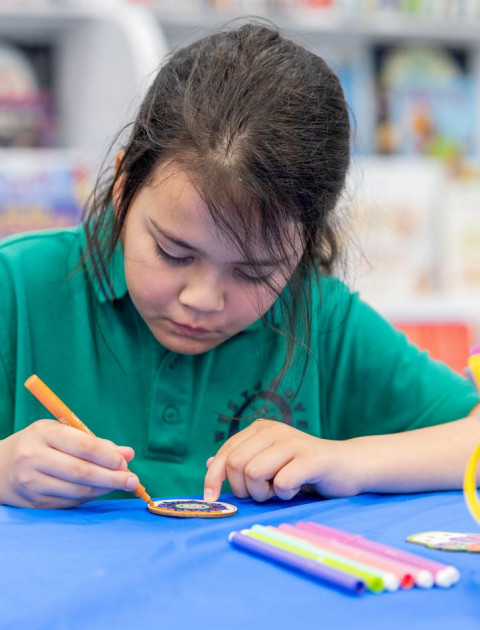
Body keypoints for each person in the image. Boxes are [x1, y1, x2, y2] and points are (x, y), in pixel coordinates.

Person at [0, 22, 479, 510]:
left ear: (305, 246)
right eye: (174, 253)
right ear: (123, 187)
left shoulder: (318, 317)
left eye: (254, 272)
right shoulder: (17, 286)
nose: (201, 300)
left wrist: (347, 460)